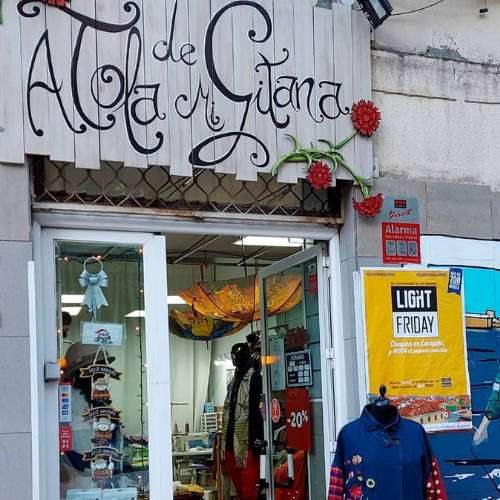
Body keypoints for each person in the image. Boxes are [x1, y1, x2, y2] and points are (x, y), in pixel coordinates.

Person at [60, 342, 124, 496]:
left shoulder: (103, 408)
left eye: (103, 372)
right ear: (79, 376)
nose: (100, 377)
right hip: (78, 488)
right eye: (95, 372)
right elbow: (63, 450)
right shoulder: (66, 411)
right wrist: (91, 464)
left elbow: (114, 445)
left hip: (107, 486)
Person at [222, 343, 263, 500]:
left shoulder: (255, 379)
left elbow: (259, 414)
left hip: (248, 444)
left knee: (249, 490)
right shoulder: (233, 382)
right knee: (239, 488)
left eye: (236, 356)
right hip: (232, 444)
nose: (234, 360)